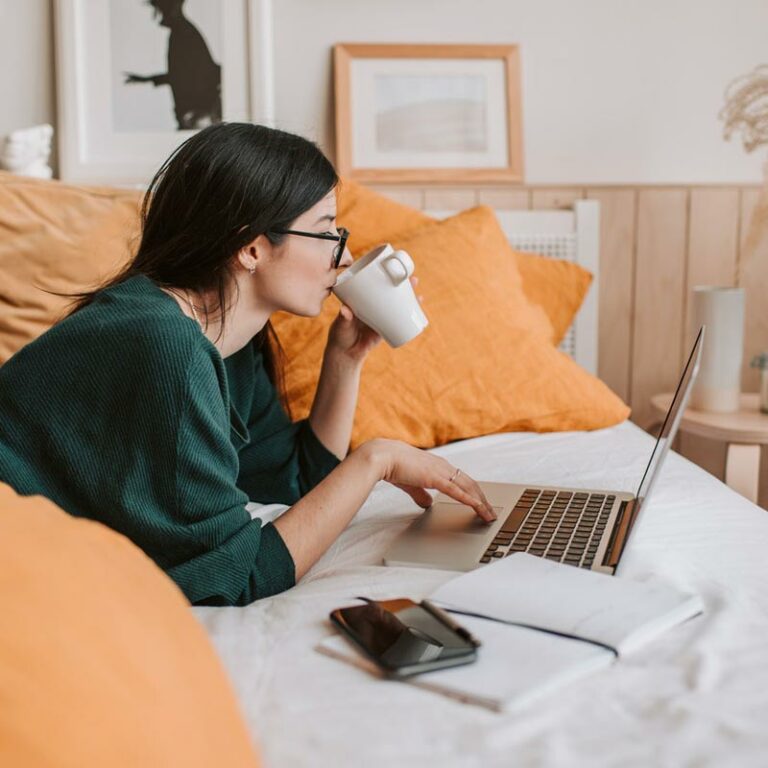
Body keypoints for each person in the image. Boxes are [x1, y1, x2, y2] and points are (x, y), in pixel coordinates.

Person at [0, 123, 495, 606]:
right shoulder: (164, 345)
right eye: (326, 232)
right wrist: (375, 460)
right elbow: (237, 576)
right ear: (253, 246)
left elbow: (288, 483)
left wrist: (345, 358)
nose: (342, 257)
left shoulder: (226, 337)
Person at [124, 0, 221, 130]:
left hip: (196, 115)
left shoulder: (184, 34)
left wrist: (198, 113)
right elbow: (180, 75)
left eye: (160, 9)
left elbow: (203, 73)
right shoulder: (182, 33)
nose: (158, 15)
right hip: (194, 114)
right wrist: (146, 79)